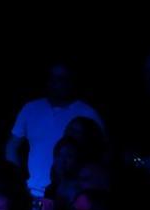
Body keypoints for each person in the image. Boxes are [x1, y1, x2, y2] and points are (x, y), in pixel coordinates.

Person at [6, 62, 103, 198]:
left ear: (71, 80)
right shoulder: (31, 109)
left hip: (72, 196)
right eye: (54, 78)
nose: (58, 83)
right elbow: (12, 146)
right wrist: (17, 182)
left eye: (63, 78)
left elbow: (102, 153)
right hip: (34, 193)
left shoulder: (87, 113)